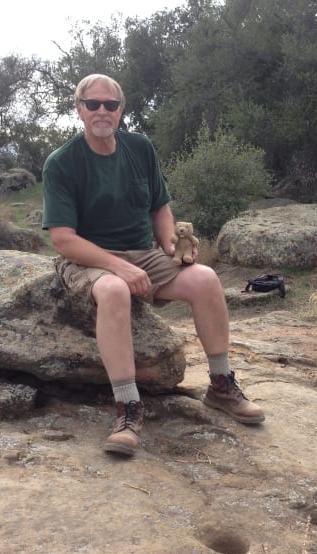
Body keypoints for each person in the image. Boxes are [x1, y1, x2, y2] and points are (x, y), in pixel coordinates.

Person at [42, 74, 264, 457]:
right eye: (92, 104)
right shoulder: (62, 163)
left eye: (110, 105)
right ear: (78, 108)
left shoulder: (140, 148)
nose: (101, 111)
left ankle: (221, 385)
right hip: (87, 258)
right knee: (113, 290)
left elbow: (159, 207)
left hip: (142, 251)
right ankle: (128, 410)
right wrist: (118, 267)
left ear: (120, 110)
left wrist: (171, 245)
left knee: (206, 279)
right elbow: (63, 239)